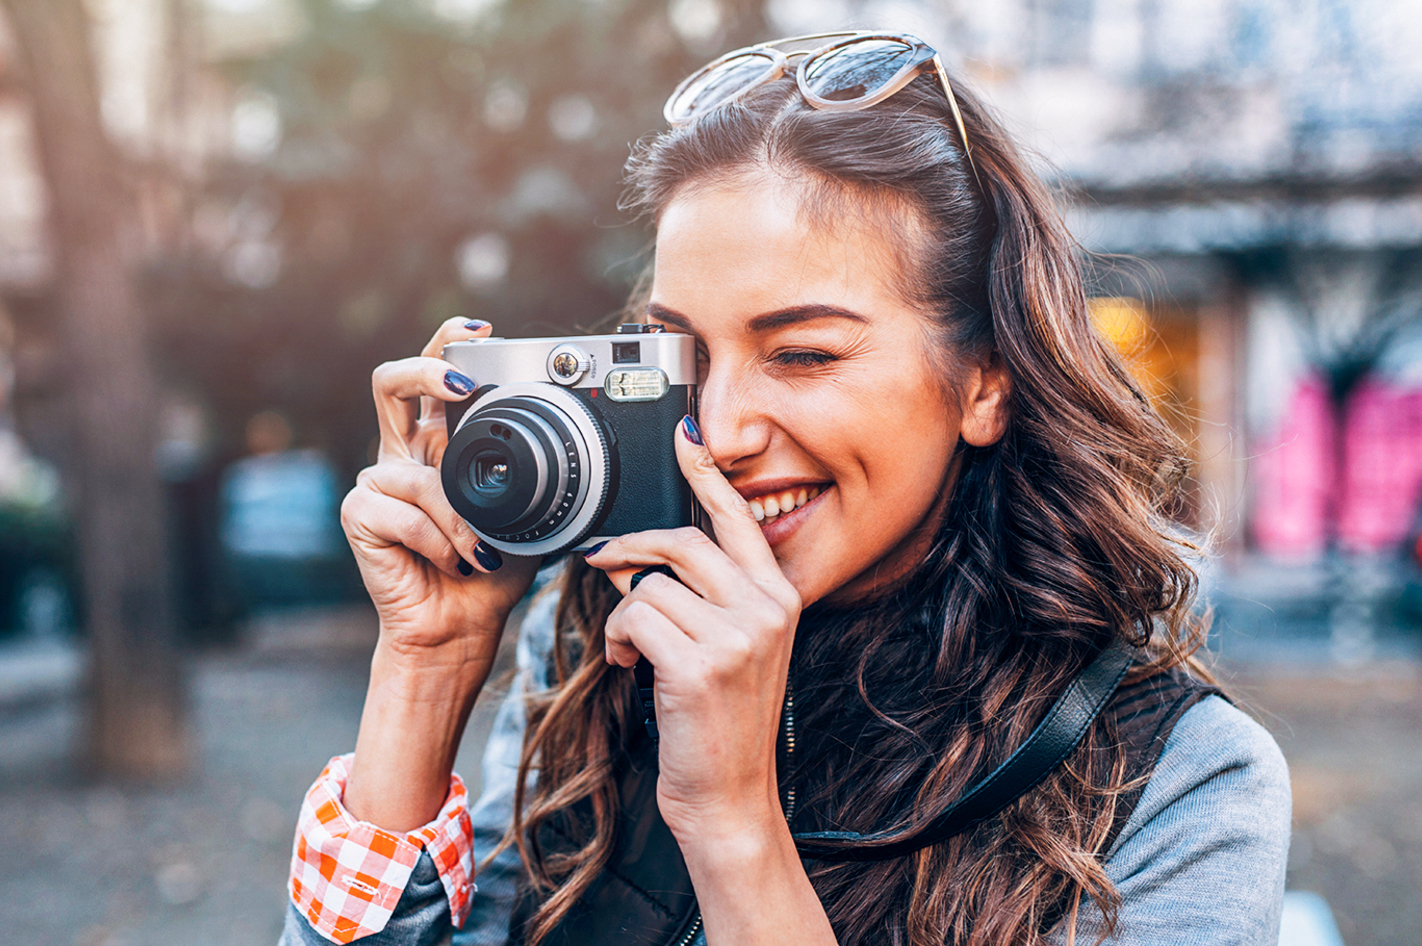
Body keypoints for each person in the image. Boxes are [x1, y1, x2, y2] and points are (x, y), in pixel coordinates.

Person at [280, 31, 1290, 946]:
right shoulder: (589, 646)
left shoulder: (1178, 780)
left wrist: (733, 819)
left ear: (985, 381)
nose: (718, 432)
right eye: (681, 354)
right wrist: (428, 667)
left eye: (802, 353)